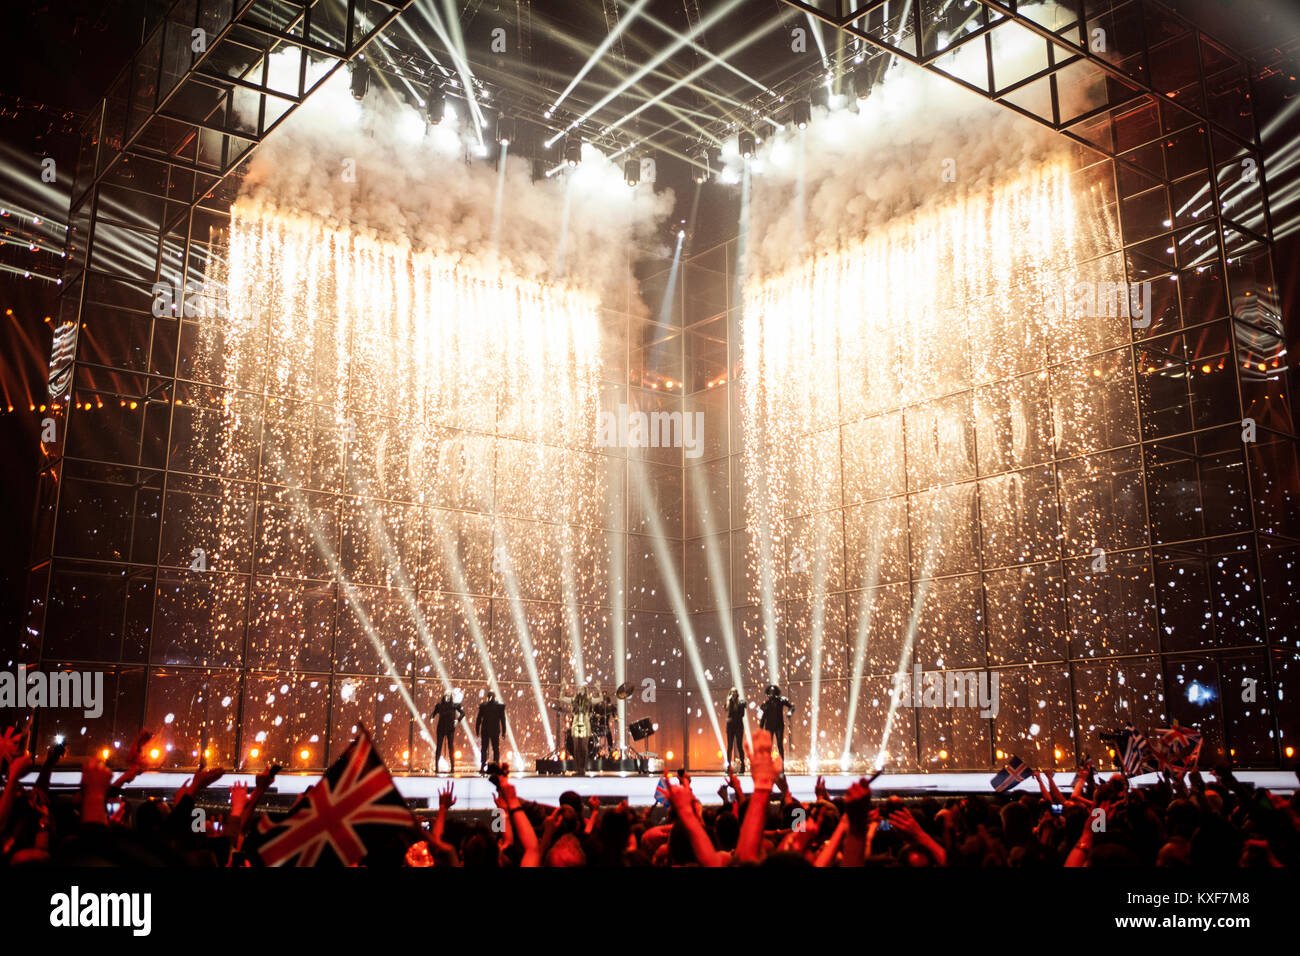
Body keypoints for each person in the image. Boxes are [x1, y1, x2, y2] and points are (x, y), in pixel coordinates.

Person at [432, 692, 465, 774]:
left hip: (450, 728)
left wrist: (458, 720)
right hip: (441, 728)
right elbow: (434, 713)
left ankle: (452, 767)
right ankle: (436, 767)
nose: (447, 697)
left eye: (448, 696)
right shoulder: (440, 706)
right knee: (439, 747)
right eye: (446, 696)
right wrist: (432, 717)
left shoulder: (454, 705)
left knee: (451, 747)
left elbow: (463, 713)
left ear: (450, 697)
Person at [759, 685, 795, 761]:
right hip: (769, 726)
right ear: (768, 692)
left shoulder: (781, 700)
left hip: (778, 725)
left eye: (773, 691)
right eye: (770, 691)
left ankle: (781, 766)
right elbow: (764, 716)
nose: (772, 693)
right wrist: (761, 727)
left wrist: (790, 712)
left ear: (776, 692)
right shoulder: (766, 704)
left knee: (779, 745)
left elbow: (792, 707)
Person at [476, 690, 507, 773]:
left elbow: (503, 720)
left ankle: (491, 765)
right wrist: (504, 731)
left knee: (491, 748)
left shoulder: (494, 707)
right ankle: (486, 765)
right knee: (489, 748)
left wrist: (504, 731)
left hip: (490, 730)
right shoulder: (486, 706)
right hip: (490, 730)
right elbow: (479, 719)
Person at [725, 687, 747, 773]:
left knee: (739, 746)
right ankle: (729, 767)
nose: (733, 694)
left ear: (737, 694)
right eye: (732, 692)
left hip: (738, 726)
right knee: (729, 746)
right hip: (730, 727)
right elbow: (728, 712)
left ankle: (743, 766)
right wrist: (730, 702)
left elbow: (742, 714)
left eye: (735, 692)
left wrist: (733, 718)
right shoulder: (728, 703)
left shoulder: (741, 703)